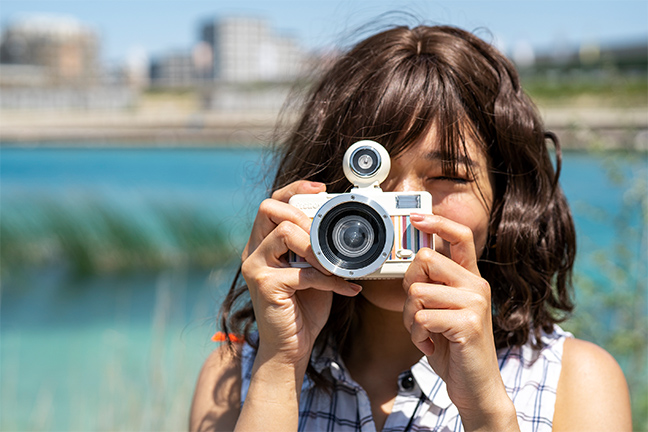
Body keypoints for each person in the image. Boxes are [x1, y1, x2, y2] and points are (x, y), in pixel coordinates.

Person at [190, 24, 632, 432]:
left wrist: (484, 409)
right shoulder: (236, 376)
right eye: (368, 184)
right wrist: (280, 367)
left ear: (504, 200)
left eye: (448, 176)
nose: (393, 210)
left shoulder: (575, 381)